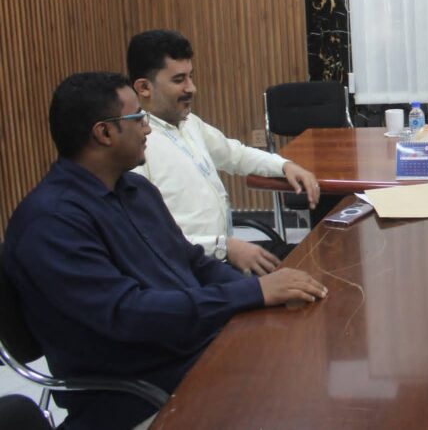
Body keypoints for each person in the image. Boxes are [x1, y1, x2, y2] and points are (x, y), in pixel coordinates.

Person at [3, 72, 327, 430]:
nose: (148, 129)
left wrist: (262, 291)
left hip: (196, 352)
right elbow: (130, 315)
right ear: (104, 133)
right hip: (138, 396)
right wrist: (250, 293)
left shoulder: (135, 189)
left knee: (310, 364)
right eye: (137, 118)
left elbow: (193, 262)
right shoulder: (52, 224)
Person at [127, 29, 320, 275]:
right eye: (179, 80)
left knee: (316, 257)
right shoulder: (134, 148)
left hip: (222, 256)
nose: (192, 88)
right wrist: (222, 247)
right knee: (304, 279)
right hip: (189, 272)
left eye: (190, 77)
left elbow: (235, 155)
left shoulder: (189, 123)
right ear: (144, 87)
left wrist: (284, 166)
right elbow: (148, 237)